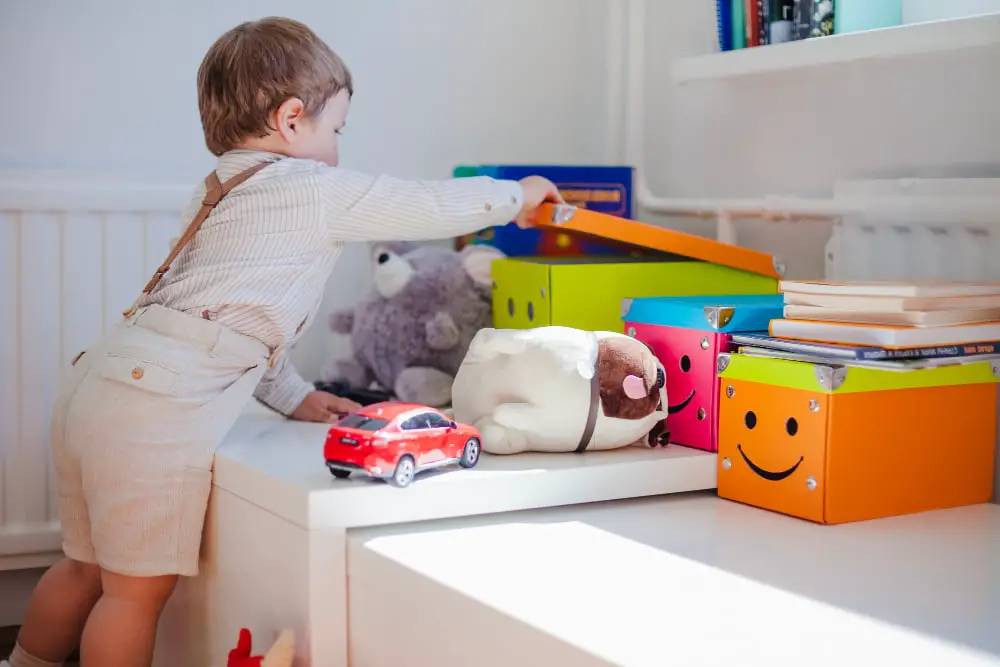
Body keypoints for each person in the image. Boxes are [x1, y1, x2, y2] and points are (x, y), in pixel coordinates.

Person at [4, 16, 562, 667]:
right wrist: (512, 196)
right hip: (152, 406)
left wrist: (294, 394)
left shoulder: (219, 188)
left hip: (97, 382)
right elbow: (422, 203)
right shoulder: (309, 189)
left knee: (82, 569)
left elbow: (228, 325)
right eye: (336, 129)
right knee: (132, 596)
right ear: (293, 119)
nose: (337, 148)